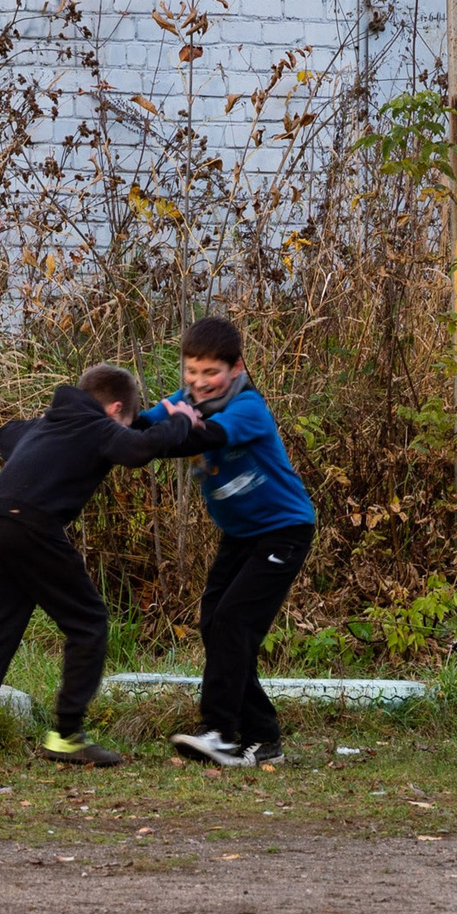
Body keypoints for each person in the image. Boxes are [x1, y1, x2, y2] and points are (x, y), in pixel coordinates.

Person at [0, 363, 213, 770]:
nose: (120, 432)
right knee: (88, 624)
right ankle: (66, 735)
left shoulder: (50, 424)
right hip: (31, 524)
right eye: (123, 422)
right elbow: (136, 451)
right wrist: (180, 421)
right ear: (115, 408)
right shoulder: (96, 427)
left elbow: (7, 433)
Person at [139, 316, 317, 768]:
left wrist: (174, 430)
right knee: (216, 626)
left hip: (284, 530)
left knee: (234, 623)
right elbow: (144, 425)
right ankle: (262, 735)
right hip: (240, 535)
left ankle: (218, 732)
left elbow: (206, 435)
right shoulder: (185, 401)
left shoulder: (248, 407)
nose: (199, 383)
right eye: (191, 372)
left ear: (235, 368)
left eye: (210, 373)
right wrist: (103, 422)